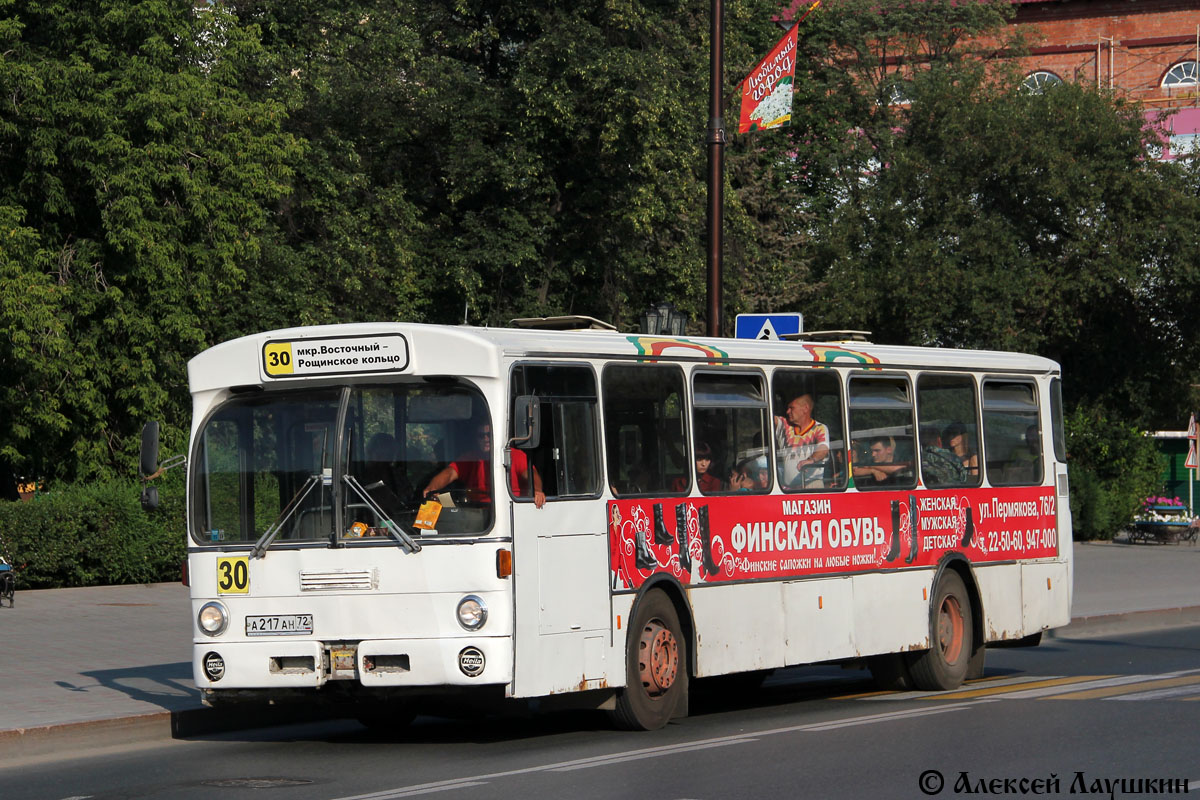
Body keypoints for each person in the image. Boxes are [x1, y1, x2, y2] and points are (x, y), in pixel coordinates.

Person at [423, 422, 494, 503]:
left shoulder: (510, 456)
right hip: (477, 511)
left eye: (489, 434)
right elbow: (450, 473)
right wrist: (432, 488)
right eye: (481, 436)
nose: (486, 439)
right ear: (476, 439)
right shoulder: (471, 458)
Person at [774, 393, 830, 489]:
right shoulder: (784, 426)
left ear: (805, 408)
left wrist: (811, 460)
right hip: (787, 490)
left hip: (811, 486)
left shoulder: (819, 428)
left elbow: (823, 449)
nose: (787, 412)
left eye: (792, 408)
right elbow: (767, 416)